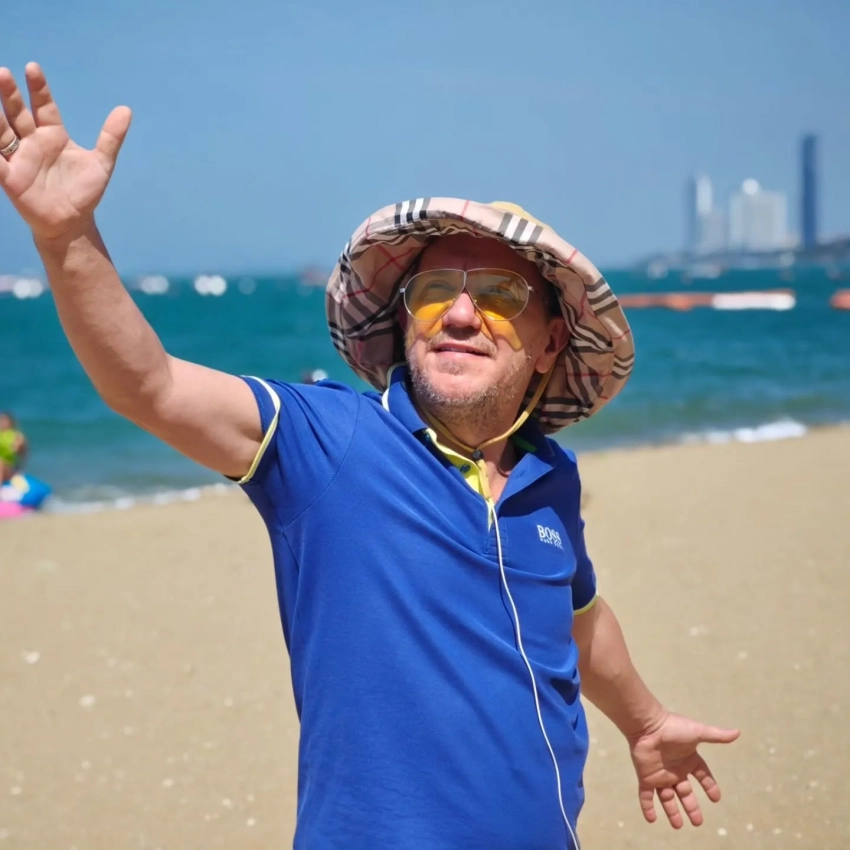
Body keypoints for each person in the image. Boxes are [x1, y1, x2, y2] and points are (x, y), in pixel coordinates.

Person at [0, 64, 739, 849]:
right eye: (435, 291)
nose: (460, 314)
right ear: (404, 317)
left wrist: (645, 722)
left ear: (552, 341)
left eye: (500, 295)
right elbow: (149, 385)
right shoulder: (329, 444)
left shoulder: (549, 476)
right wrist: (65, 237)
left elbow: (579, 617)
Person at [0, 411, 27, 484]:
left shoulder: (17, 436)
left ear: (11, 422)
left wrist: (18, 447)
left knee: (0, 463)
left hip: (10, 468)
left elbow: (23, 454)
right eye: (1, 420)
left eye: (5, 420)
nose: (2, 422)